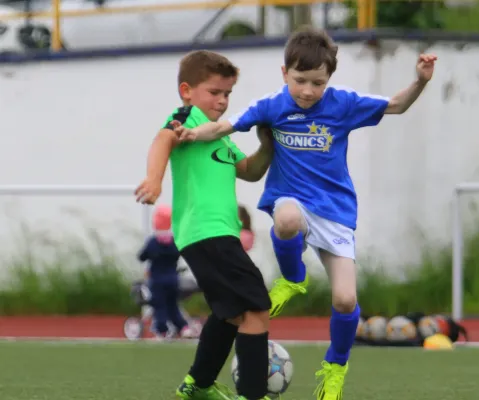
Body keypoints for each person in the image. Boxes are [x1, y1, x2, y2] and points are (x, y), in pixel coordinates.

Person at [173, 27, 438, 400]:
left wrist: (420, 81)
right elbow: (224, 126)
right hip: (290, 199)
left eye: (317, 82)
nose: (308, 91)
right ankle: (293, 278)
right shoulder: (272, 105)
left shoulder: (343, 104)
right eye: (300, 81)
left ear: (329, 78)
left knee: (346, 300)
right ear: (285, 74)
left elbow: (396, 105)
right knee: (286, 218)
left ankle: (335, 367)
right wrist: (192, 134)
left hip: (334, 211)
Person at [134, 50, 274, 400]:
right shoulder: (186, 118)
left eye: (227, 94)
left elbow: (251, 171)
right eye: (215, 92)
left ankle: (197, 386)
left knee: (230, 312)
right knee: (257, 307)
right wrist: (154, 180)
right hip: (206, 231)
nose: (223, 101)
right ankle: (253, 395)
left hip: (215, 234)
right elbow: (162, 140)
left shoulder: (221, 137)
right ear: (187, 91)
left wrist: (268, 142)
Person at [138, 204, 195, 340]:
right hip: (172, 279)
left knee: (160, 307)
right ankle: (184, 328)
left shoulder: (152, 242)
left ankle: (162, 331)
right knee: (173, 306)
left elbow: (142, 256)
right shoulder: (175, 241)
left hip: (157, 280)